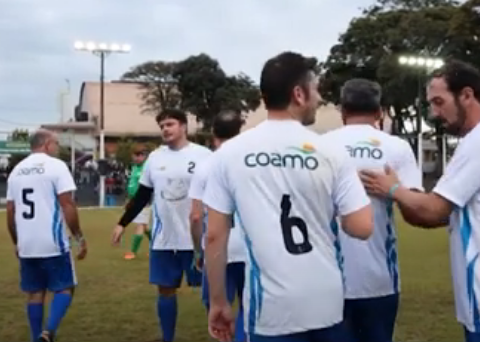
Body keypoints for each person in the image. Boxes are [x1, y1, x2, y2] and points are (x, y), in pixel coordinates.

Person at [358, 61, 480, 342]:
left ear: (467, 95)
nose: (434, 113)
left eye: (438, 102)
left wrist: (393, 188)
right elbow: (453, 211)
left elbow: (435, 210)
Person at [202, 51, 374, 342]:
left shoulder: (228, 154)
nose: (319, 98)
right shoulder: (330, 153)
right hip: (326, 303)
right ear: (299, 93)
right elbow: (362, 227)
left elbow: (215, 237)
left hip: (271, 310)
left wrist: (219, 301)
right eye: (316, 89)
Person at [320, 79, 423, 342]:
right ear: (380, 112)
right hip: (380, 279)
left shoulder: (321, 147)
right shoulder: (396, 147)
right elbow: (416, 209)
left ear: (343, 112)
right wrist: (394, 190)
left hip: (328, 279)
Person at [111, 109, 212, 342]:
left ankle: (221, 334)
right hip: (164, 238)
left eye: (170, 124)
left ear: (184, 126)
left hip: (198, 238)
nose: (165, 129)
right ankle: (168, 338)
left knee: (210, 291)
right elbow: (143, 195)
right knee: (165, 290)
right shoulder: (155, 158)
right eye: (162, 126)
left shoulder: (204, 156)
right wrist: (122, 223)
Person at [6, 130, 87, 342]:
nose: (57, 148)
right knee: (65, 288)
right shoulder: (56, 166)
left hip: (27, 244)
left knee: (35, 292)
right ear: (47, 144)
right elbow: (67, 204)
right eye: (56, 144)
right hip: (52, 241)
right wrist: (78, 236)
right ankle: (48, 332)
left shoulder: (16, 171)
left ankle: (36, 337)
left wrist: (16, 242)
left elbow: (10, 211)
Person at [189, 110, 247, 342]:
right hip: (248, 248)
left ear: (213, 135)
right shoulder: (248, 163)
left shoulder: (205, 167)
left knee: (217, 307)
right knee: (247, 307)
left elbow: (195, 216)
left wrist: (197, 250)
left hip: (217, 247)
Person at [124, 146, 152, 260]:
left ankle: (132, 252)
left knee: (140, 225)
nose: (135, 159)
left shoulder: (147, 167)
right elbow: (132, 184)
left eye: (136, 156)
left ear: (142, 156)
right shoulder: (135, 167)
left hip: (144, 201)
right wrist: (129, 199)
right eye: (133, 157)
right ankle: (156, 247)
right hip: (135, 200)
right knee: (145, 227)